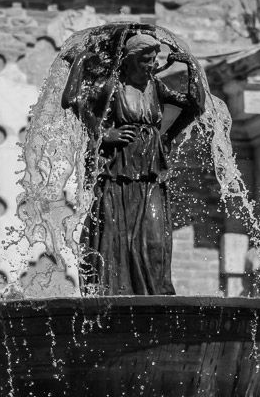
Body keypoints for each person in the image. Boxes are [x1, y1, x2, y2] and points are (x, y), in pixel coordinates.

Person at [67, 31, 205, 295]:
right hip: (116, 173)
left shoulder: (156, 87)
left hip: (150, 175)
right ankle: (114, 298)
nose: (151, 66)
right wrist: (102, 134)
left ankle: (157, 298)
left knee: (156, 241)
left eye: (154, 60)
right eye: (146, 60)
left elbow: (195, 107)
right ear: (130, 60)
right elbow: (72, 101)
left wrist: (191, 65)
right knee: (114, 238)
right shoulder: (112, 87)